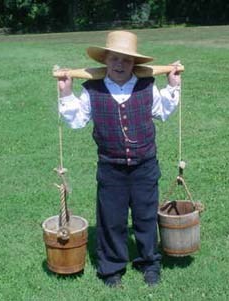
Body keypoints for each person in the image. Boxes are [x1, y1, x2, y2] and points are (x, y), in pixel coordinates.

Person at [58, 30, 181, 287]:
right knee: (111, 220)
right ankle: (112, 267)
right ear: (105, 61)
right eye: (114, 58)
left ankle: (149, 262)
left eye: (126, 60)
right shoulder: (92, 89)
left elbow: (163, 112)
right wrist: (66, 93)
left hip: (145, 165)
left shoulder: (147, 86)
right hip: (110, 168)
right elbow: (78, 120)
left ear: (135, 64)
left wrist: (172, 86)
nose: (119, 64)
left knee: (145, 216)